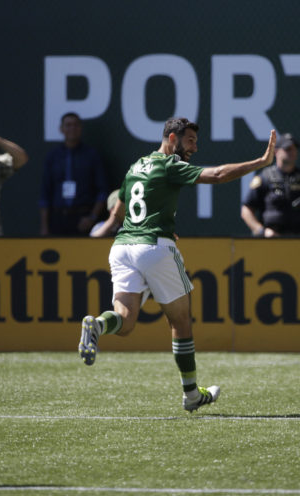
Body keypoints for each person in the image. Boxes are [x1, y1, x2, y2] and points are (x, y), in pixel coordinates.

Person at [78, 117, 277, 412]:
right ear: (172, 138)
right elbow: (219, 175)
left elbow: (118, 211)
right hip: (153, 247)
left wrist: (135, 224)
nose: (194, 148)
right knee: (180, 321)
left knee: (125, 320)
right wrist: (261, 161)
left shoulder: (136, 165)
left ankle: (96, 324)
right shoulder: (169, 165)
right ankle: (191, 394)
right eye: (190, 141)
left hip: (121, 247)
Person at [40, 112, 108, 236]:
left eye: (76, 125)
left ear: (81, 128)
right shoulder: (53, 156)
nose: (72, 128)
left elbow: (102, 191)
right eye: (68, 125)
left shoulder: (91, 155)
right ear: (61, 129)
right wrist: (45, 226)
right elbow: (45, 193)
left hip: (83, 217)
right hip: (58, 218)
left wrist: (92, 217)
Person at [240, 133, 300, 237]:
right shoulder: (265, 177)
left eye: (294, 149)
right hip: (273, 237)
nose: (292, 152)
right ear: (276, 152)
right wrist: (262, 231)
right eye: (287, 149)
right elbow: (246, 210)